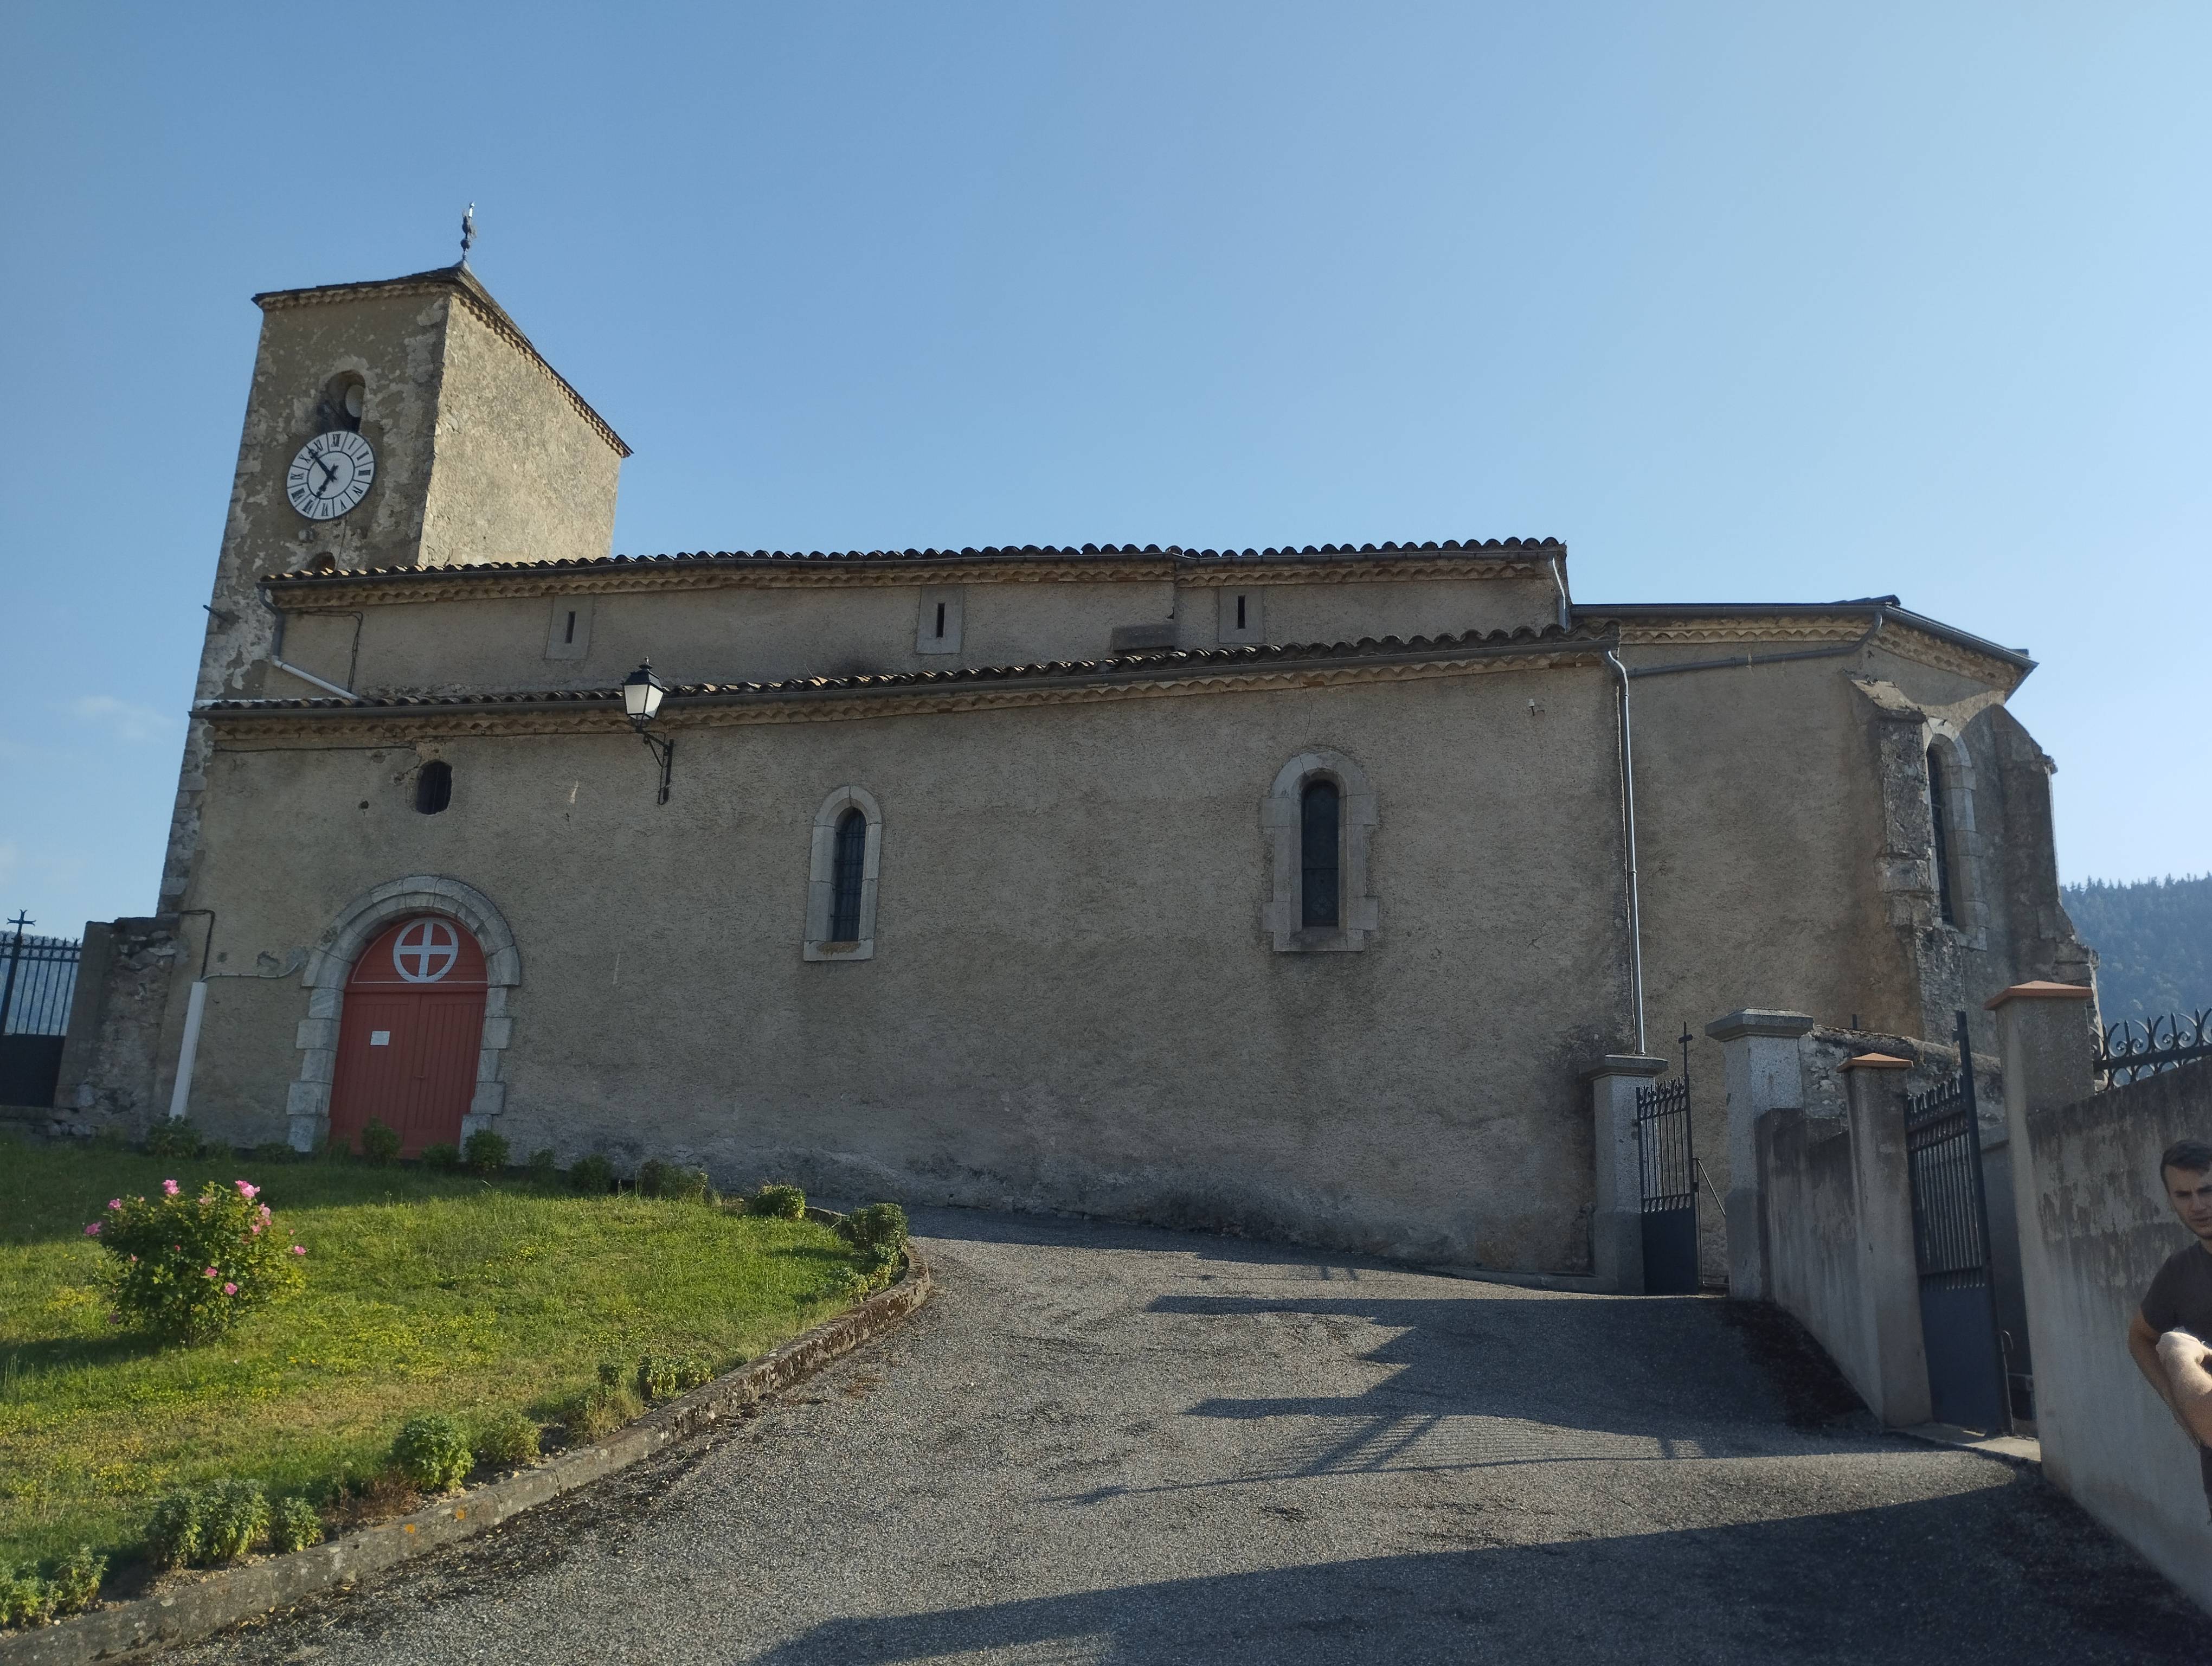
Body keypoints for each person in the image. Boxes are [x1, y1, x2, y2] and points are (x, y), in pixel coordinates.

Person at [2129, 1137, 2212, 1514]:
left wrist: (2180, 1360)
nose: (2197, 1205)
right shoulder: (2179, 1273)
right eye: (2183, 1194)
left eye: (2207, 1190)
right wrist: (2173, 1399)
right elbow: (2140, 1337)